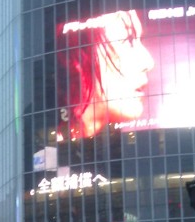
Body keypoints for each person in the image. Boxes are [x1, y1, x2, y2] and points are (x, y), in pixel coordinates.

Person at [56, 9, 154, 139]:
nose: (149, 62)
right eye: (128, 41)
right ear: (76, 57)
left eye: (139, 40)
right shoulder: (50, 148)